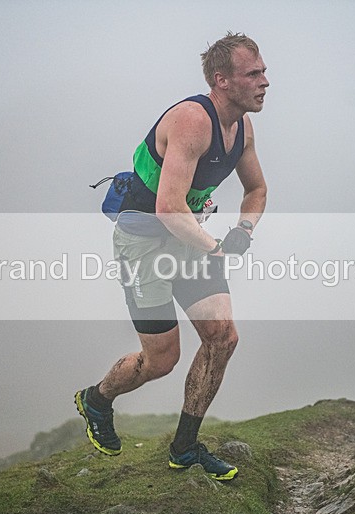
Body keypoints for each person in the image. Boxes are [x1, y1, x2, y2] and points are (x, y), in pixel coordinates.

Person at [75, 32, 269, 481]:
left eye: (264, 71)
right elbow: (167, 207)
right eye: (252, 73)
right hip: (144, 242)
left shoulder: (243, 128)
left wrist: (243, 230)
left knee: (223, 338)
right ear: (222, 80)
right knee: (161, 361)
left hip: (188, 238)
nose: (264, 81)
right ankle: (97, 399)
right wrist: (216, 246)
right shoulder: (191, 120)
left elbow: (256, 188)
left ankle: (184, 447)